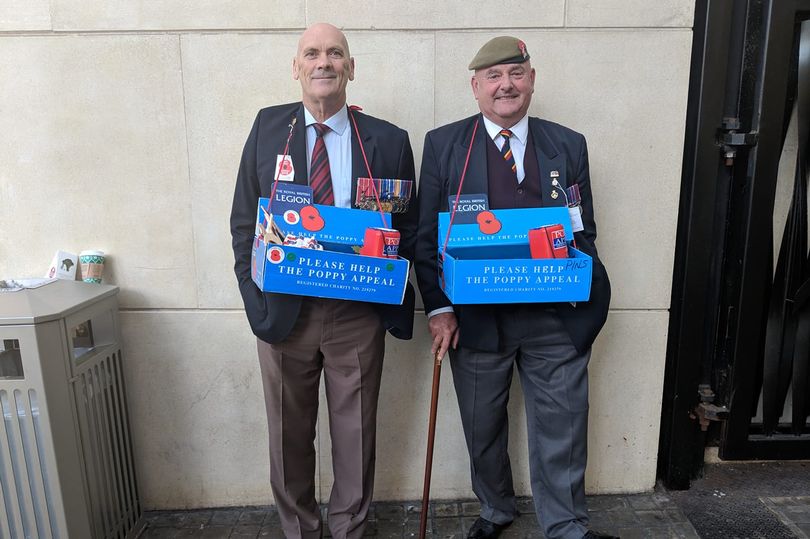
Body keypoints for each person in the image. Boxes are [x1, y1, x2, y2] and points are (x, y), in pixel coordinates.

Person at [414, 36, 614, 539]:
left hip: (555, 315)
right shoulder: (444, 145)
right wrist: (438, 307)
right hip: (476, 319)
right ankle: (496, 510)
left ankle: (566, 525)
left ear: (531, 78)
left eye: (516, 73)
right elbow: (425, 237)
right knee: (482, 428)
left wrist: (577, 277)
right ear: (476, 87)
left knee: (563, 427)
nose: (507, 85)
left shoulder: (568, 144)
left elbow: (580, 226)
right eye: (495, 77)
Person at [230, 23, 417, 539]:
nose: (324, 62)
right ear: (296, 68)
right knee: (288, 437)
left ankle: (350, 529)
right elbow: (244, 223)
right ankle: (299, 530)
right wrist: (255, 303)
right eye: (311, 53)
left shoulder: (388, 140)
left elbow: (406, 225)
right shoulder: (269, 129)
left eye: (335, 53)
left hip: (355, 313)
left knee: (355, 435)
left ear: (350, 68)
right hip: (284, 313)